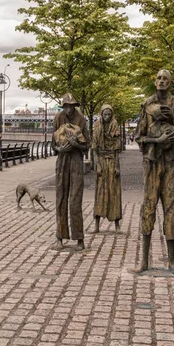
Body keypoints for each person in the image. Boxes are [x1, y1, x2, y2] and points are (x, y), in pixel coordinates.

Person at [134, 69, 174, 274]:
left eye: (165, 79)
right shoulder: (147, 104)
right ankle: (144, 261)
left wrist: (172, 119)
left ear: (170, 83)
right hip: (151, 163)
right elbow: (139, 137)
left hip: (170, 163)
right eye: (159, 78)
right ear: (155, 82)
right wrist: (157, 141)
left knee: (171, 207)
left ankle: (172, 262)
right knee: (148, 206)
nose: (161, 81)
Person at [52, 93, 90, 251]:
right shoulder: (58, 118)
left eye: (71, 106)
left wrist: (76, 145)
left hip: (75, 162)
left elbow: (87, 146)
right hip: (62, 161)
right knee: (61, 199)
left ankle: (79, 238)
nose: (68, 109)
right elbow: (52, 144)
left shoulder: (81, 119)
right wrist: (59, 149)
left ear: (74, 106)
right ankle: (60, 237)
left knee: (75, 201)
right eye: (66, 106)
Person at [91, 104, 122, 233]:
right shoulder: (97, 127)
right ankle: (97, 224)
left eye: (109, 114)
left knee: (114, 192)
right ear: (101, 114)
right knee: (100, 192)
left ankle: (117, 224)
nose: (107, 117)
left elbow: (116, 150)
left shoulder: (115, 126)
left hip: (112, 161)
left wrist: (116, 166)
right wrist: (97, 164)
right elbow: (94, 148)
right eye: (105, 114)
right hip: (101, 161)